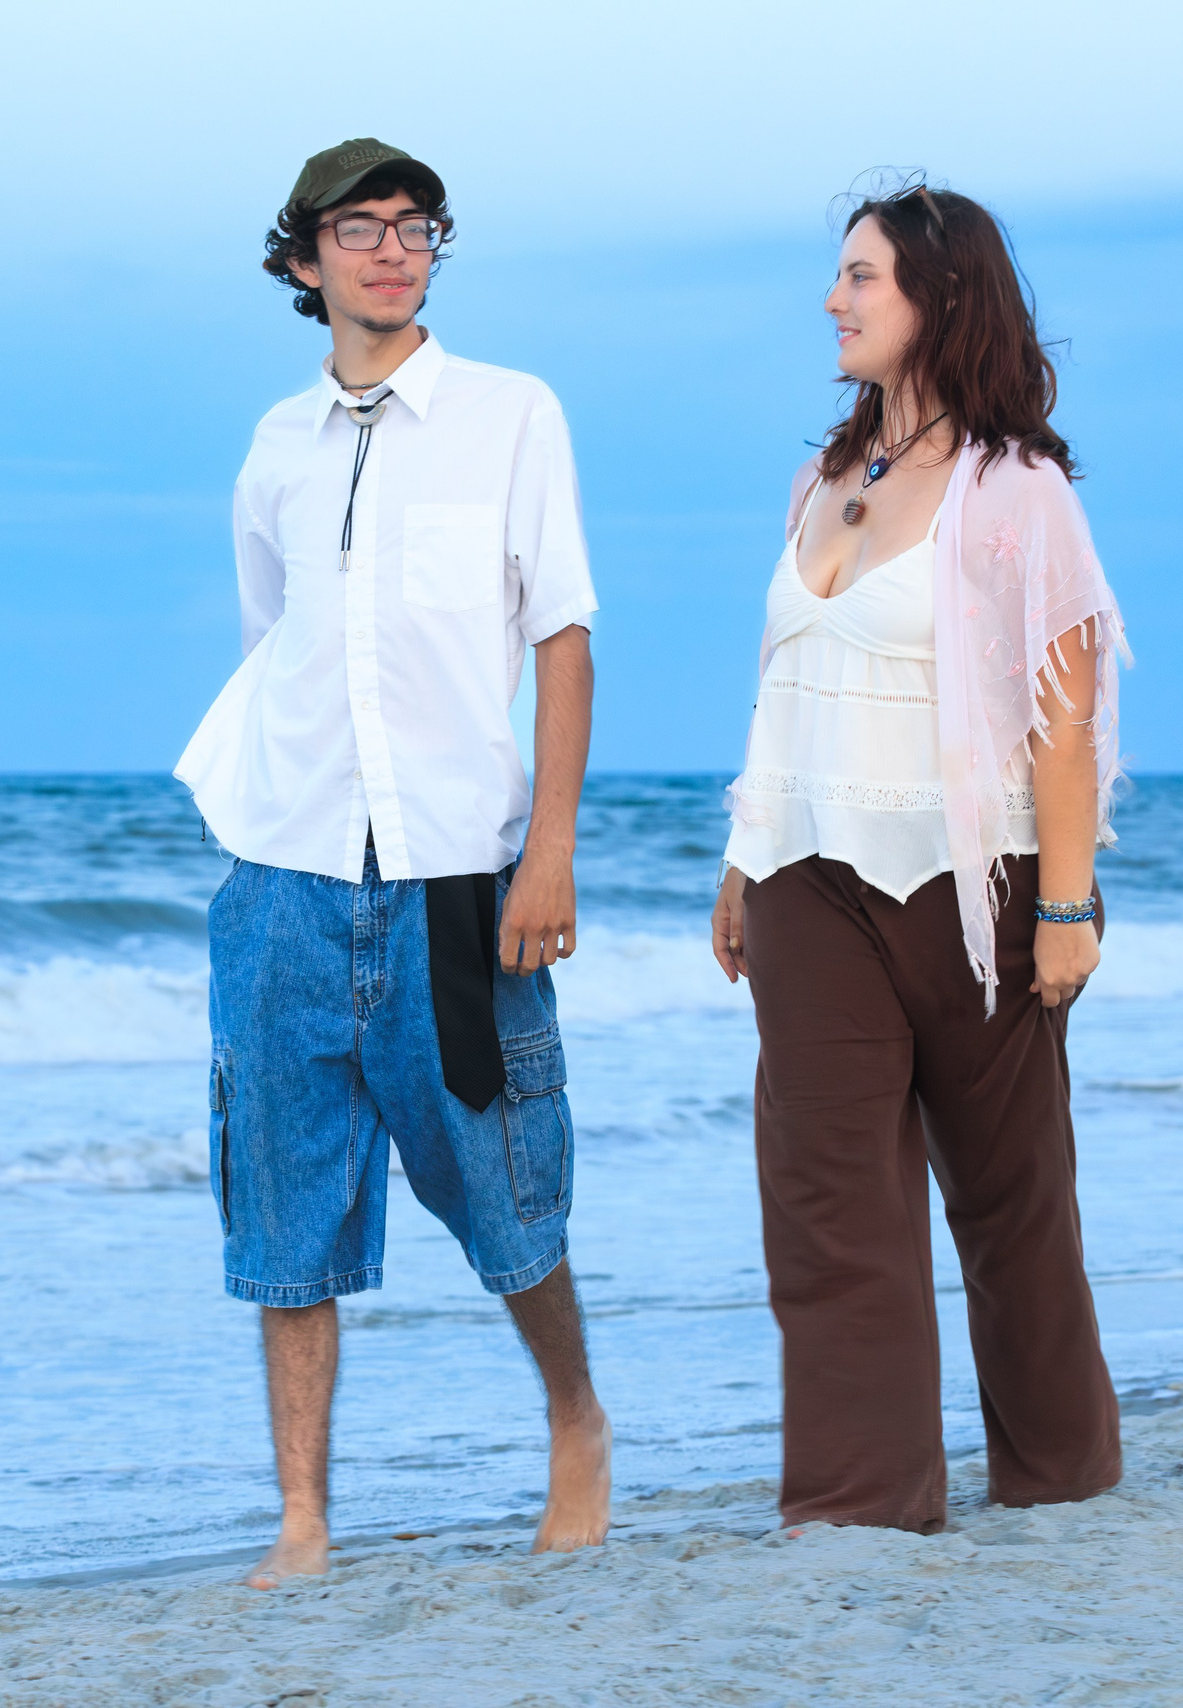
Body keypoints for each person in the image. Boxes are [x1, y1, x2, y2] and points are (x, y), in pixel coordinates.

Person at [175, 139, 612, 1587]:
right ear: (303, 263)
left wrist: (546, 850)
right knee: (286, 1216)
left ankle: (575, 1421)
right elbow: (270, 651)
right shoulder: (272, 451)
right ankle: (303, 1520)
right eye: (355, 231)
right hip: (284, 881)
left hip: (455, 881)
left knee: (502, 1186)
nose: (389, 251)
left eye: (413, 227)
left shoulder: (510, 416)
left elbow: (561, 637)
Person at [708, 183, 1130, 1534]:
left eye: (861, 278)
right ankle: (856, 1506)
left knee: (1012, 1206)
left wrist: (1064, 905)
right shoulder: (821, 481)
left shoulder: (1018, 494)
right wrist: (740, 857)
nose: (834, 301)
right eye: (839, 277)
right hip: (806, 879)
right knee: (828, 1209)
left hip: (977, 885)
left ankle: (1058, 1473)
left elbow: (1064, 716)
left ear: (939, 300)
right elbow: (781, 686)